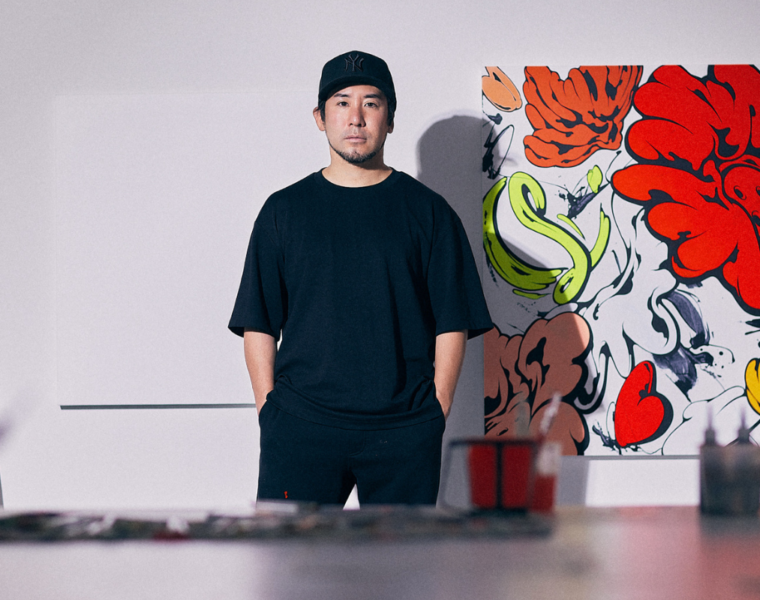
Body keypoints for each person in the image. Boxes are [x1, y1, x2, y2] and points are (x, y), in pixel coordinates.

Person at [229, 50, 492, 506]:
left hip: (404, 429)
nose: (356, 117)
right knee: (287, 554)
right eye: (342, 103)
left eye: (371, 103)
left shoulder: (429, 212)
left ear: (389, 119)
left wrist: (436, 409)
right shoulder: (283, 211)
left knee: (404, 556)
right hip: (300, 427)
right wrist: (269, 410)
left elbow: (453, 319)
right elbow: (259, 320)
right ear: (320, 118)